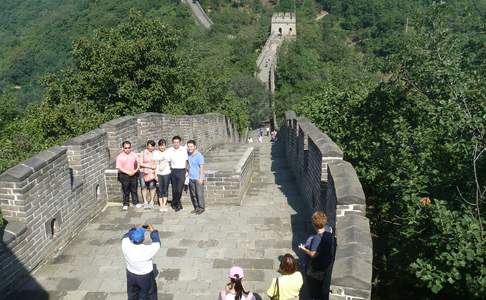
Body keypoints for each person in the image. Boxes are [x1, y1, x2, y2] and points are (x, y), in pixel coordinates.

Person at [298, 211, 333, 300]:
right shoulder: (329, 232)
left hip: (316, 267)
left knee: (314, 288)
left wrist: (303, 249)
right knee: (320, 284)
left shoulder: (317, 238)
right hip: (325, 263)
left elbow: (313, 254)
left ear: (314, 225)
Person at [121, 224, 161, 300]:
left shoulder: (125, 244)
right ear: (143, 239)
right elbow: (157, 242)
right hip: (145, 276)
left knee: (132, 293)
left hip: (131, 274)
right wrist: (153, 231)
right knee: (149, 293)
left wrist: (134, 229)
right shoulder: (146, 250)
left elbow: (126, 235)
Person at [116, 141, 141, 210]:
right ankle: (126, 203)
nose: (127, 149)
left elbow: (139, 163)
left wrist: (135, 171)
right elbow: (119, 167)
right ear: (123, 148)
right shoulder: (119, 157)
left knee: (134, 189)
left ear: (131, 147)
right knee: (125, 190)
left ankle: (135, 202)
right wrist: (127, 172)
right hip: (124, 175)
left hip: (133, 174)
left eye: (129, 148)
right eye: (126, 148)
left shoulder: (134, 154)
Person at [167, 136, 188, 212]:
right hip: (173, 171)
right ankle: (177, 204)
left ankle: (175, 202)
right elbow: (168, 161)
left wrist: (185, 172)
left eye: (177, 142)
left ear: (180, 142)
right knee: (174, 189)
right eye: (174, 142)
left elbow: (186, 161)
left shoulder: (183, 149)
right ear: (172, 142)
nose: (176, 144)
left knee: (179, 189)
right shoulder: (170, 150)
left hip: (182, 171)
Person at [187, 140, 205, 215]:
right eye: (188, 146)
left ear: (195, 146)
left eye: (191, 146)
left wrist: (201, 178)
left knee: (199, 194)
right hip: (191, 178)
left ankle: (201, 208)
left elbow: (202, 168)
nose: (189, 148)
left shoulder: (199, 156)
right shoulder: (189, 155)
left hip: (198, 178)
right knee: (193, 194)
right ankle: (196, 208)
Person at [153, 139, 171, 212]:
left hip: (167, 173)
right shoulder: (155, 153)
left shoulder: (168, 152)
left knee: (165, 189)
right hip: (159, 174)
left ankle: (164, 203)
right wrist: (155, 175)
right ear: (158, 146)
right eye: (160, 145)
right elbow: (155, 165)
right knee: (160, 190)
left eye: (163, 145)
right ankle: (161, 205)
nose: (162, 147)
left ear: (165, 145)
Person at [139, 140, 157, 209]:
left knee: (152, 186)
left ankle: (152, 201)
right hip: (143, 172)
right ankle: (145, 201)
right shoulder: (143, 153)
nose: (150, 147)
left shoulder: (155, 153)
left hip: (152, 172)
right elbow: (141, 163)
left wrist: (154, 170)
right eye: (149, 146)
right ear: (147, 146)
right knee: (143, 186)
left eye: (152, 146)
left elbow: (156, 162)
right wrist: (150, 166)